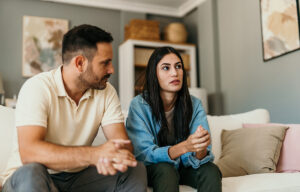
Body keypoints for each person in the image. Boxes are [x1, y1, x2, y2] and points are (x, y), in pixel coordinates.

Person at [2, 24, 147, 192]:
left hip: (77, 179)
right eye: (105, 63)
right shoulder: (37, 87)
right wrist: (94, 155)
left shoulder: (106, 92)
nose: (111, 70)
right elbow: (30, 153)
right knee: (32, 172)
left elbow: (121, 145)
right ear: (79, 63)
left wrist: (116, 155)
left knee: (134, 170)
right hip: (31, 177)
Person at [126, 46, 222, 192]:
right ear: (154, 73)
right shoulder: (139, 105)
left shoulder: (194, 104)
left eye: (178, 66)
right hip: (154, 169)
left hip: (185, 167)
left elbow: (201, 157)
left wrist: (200, 148)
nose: (174, 73)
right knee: (166, 170)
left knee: (211, 170)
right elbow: (143, 154)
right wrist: (185, 146)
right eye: (166, 68)